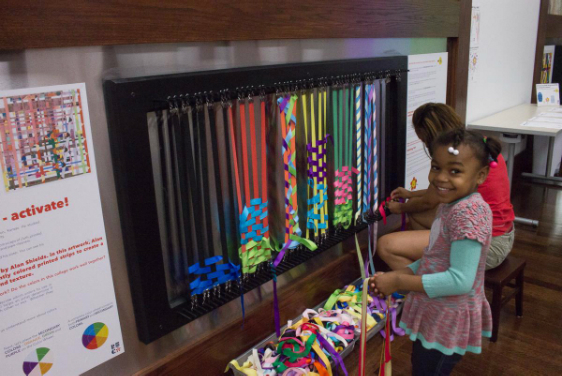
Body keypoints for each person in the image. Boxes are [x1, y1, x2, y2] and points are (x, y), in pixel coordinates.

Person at [370, 129, 496, 376]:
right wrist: (406, 272)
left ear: (480, 175)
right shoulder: (450, 205)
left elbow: (460, 281)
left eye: (455, 171)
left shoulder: (469, 215)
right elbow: (434, 256)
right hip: (436, 313)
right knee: (422, 365)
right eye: (436, 167)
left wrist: (398, 279)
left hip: (448, 321)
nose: (441, 178)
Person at [379, 103, 515, 271]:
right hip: (503, 234)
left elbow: (428, 202)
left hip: (489, 246)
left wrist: (400, 207)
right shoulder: (478, 145)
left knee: (386, 245)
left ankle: (426, 284)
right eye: (435, 167)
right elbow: (439, 192)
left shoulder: (458, 157)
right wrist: (411, 194)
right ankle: (432, 266)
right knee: (418, 212)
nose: (440, 177)